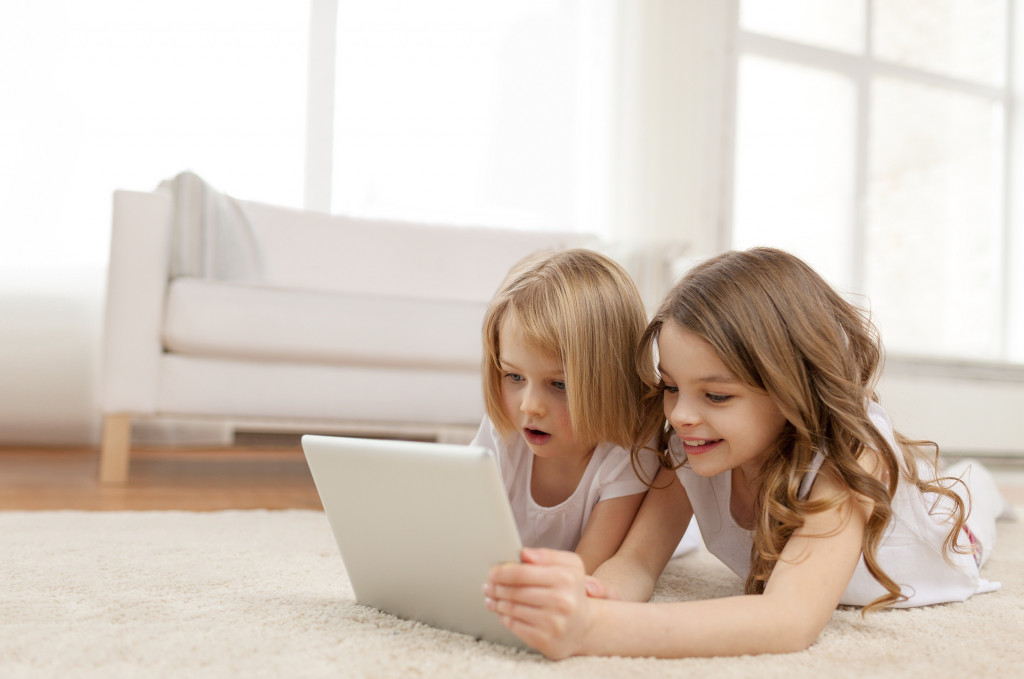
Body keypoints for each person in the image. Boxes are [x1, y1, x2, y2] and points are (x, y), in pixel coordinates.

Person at [483, 247, 1013, 659]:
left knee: (967, 493)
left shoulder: (850, 459)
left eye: (716, 395)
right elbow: (638, 562)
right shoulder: (690, 444)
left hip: (945, 538)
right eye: (671, 387)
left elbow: (788, 619)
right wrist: (588, 594)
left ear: (789, 390)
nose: (681, 415)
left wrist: (594, 629)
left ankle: (984, 482)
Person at [471, 248, 666, 576]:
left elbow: (585, 567)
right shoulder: (503, 428)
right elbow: (462, 527)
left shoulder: (629, 449)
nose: (529, 405)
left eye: (559, 385)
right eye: (514, 376)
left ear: (613, 382)